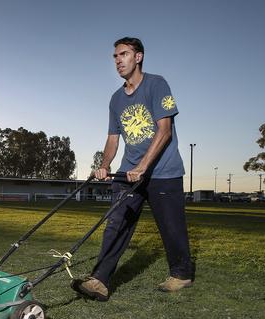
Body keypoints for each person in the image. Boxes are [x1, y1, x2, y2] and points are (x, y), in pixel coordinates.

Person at [72, 37, 194, 300]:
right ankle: (100, 280)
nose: (118, 61)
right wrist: (104, 165)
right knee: (116, 222)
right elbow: (113, 139)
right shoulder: (116, 99)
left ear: (138, 57)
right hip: (129, 173)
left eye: (123, 54)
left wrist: (144, 166)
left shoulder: (156, 84)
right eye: (115, 56)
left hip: (165, 172)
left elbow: (165, 131)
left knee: (171, 227)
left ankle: (182, 274)